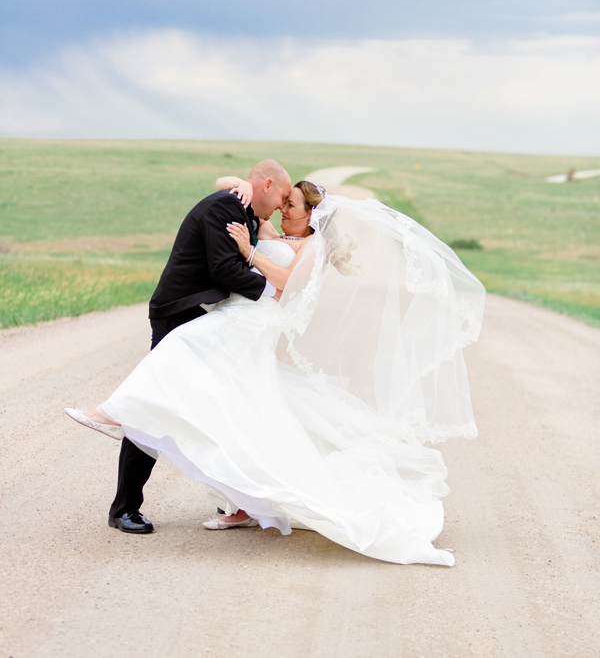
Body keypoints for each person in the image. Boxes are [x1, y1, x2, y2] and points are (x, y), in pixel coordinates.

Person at [67, 176, 485, 565]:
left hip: (253, 322)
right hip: (238, 314)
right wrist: (243, 186)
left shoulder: (312, 247)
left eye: (292, 205)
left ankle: (114, 416)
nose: (284, 209)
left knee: (181, 356)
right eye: (283, 201)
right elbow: (225, 186)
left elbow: (288, 284)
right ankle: (240, 500)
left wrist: (249, 252)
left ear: (312, 214)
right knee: (237, 407)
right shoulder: (276, 233)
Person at [66, 159, 291, 533]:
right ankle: (124, 505)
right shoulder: (227, 206)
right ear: (267, 184)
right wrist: (275, 294)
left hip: (209, 316)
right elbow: (223, 270)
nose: (283, 206)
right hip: (180, 312)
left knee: (220, 405)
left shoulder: (245, 210)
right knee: (156, 399)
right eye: (282, 196)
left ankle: (238, 501)